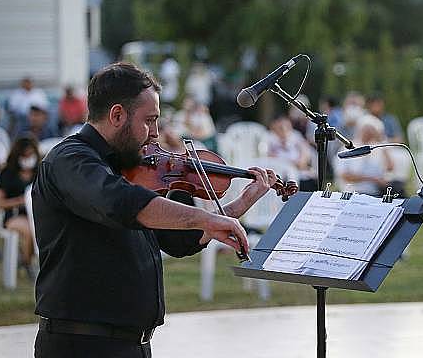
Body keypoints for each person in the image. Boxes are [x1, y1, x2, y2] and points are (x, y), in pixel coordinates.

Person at [32, 62, 277, 357]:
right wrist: (205, 217)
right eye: (149, 120)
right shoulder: (70, 160)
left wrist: (237, 207)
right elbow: (120, 203)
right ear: (117, 115)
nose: (156, 133)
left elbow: (178, 241)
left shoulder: (130, 168)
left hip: (133, 344)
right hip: (82, 345)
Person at [0, 136, 40, 278]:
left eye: (31, 154)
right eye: (25, 155)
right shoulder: (8, 174)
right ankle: (26, 263)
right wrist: (21, 201)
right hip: (13, 215)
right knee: (29, 230)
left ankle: (29, 260)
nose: (28, 158)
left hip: (36, 214)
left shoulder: (40, 171)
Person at [336, 117, 395, 196]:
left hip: (375, 194)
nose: (368, 133)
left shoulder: (377, 148)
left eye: (372, 131)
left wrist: (381, 141)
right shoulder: (348, 148)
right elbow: (344, 176)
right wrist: (373, 179)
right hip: (353, 193)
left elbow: (390, 167)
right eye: (366, 130)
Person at [267, 115, 317, 191]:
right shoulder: (270, 138)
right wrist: (291, 163)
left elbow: (304, 151)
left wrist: (301, 162)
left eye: (286, 126)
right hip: (281, 172)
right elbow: (268, 156)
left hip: (300, 170)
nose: (284, 129)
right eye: (280, 127)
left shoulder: (295, 135)